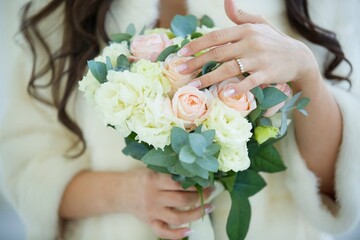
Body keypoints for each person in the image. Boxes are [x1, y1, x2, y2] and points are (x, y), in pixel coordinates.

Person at [0, 0, 359, 239]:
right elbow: (28, 166)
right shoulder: (59, 11)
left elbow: (337, 183)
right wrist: (128, 193)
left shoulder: (314, 6)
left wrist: (306, 72)